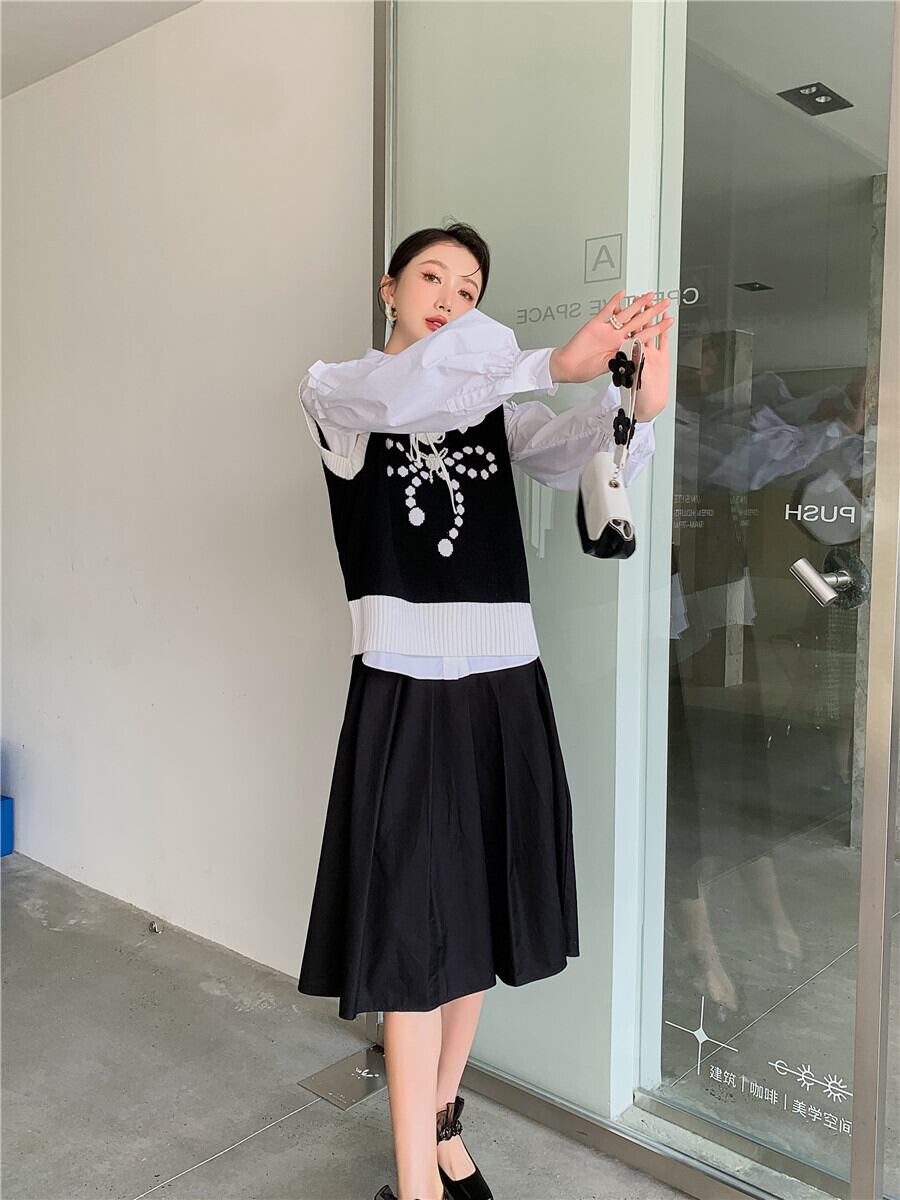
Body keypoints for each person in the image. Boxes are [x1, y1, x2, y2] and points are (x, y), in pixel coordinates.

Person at [296, 221, 673, 1200]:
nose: (450, 298)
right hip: (407, 687)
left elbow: (575, 449)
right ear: (389, 288)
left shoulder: (490, 411)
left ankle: (441, 1124)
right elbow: (412, 389)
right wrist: (550, 362)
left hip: (504, 679)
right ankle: (414, 1187)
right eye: (432, 277)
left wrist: (632, 400)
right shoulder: (341, 394)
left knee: (471, 922)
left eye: (468, 289)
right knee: (414, 939)